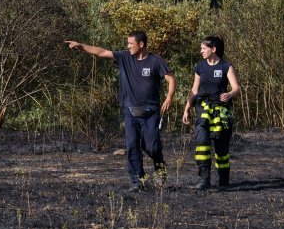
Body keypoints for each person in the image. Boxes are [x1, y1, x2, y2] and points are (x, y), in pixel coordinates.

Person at [65, 32, 175, 192]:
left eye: (131, 43)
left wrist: (169, 98)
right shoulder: (124, 57)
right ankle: (138, 182)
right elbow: (101, 52)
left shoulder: (155, 61)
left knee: (152, 147)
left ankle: (160, 168)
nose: (128, 46)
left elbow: (171, 79)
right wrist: (81, 46)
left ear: (141, 44)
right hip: (130, 111)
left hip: (151, 112)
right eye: (128, 43)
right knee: (132, 146)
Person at [181, 35, 241, 190]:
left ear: (213, 49)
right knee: (201, 141)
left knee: (221, 146)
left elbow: (236, 88)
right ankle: (204, 179)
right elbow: (194, 90)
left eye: (203, 48)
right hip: (203, 108)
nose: (201, 51)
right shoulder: (200, 67)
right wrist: (187, 108)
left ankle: (223, 180)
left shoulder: (225, 66)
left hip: (221, 111)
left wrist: (229, 94)